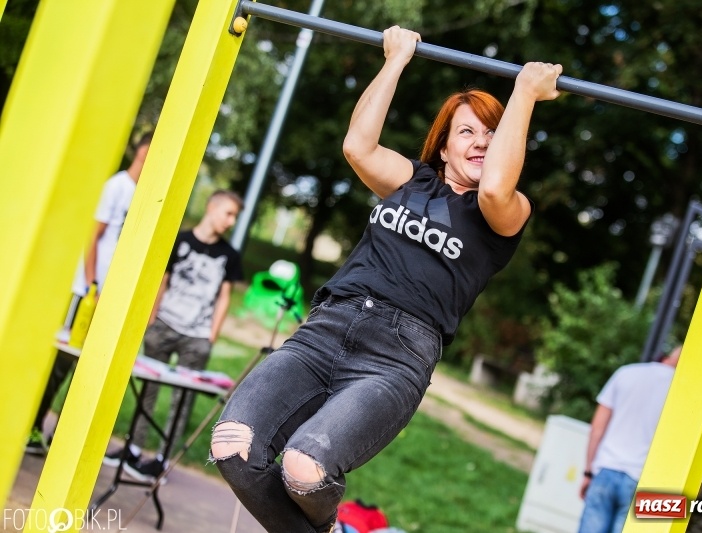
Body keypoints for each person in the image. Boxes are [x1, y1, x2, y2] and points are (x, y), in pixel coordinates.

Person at [209, 26, 562, 533]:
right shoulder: (410, 181)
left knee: (304, 469)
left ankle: (326, 520)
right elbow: (357, 145)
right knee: (234, 446)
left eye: (492, 132)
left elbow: (496, 186)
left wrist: (524, 94)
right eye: (467, 132)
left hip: (395, 358)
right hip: (325, 330)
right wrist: (396, 59)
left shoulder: (503, 212)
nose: (481, 141)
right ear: (443, 148)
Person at [103, 189, 244, 482]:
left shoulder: (229, 255)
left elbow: (224, 297)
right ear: (211, 207)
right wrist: (152, 321)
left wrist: (210, 337)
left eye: (235, 216)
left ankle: (161, 461)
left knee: (183, 400)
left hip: (196, 337)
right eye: (228, 213)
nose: (231, 221)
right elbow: (162, 280)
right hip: (164, 326)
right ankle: (133, 448)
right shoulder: (179, 240)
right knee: (148, 391)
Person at [26, 131, 152, 455]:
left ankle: (60, 438)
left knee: (88, 369)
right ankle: (32, 427)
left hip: (113, 297)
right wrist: (91, 283)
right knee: (62, 363)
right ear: (141, 150)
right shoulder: (117, 187)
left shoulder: (146, 195)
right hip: (88, 291)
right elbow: (92, 236)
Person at [577, 345, 683, 533]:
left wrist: (588, 472)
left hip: (606, 469)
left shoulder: (626, 373)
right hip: (643, 480)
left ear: (667, 356)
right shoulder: (683, 393)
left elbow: (597, 429)